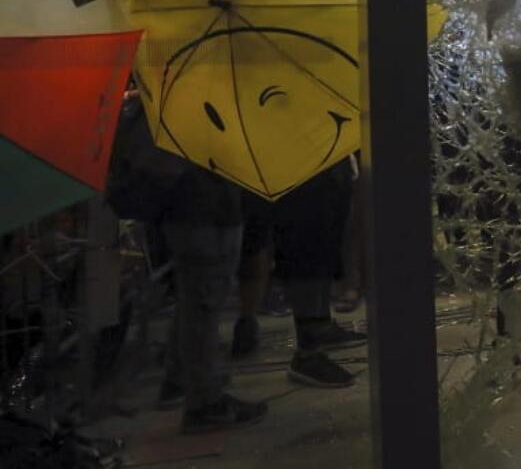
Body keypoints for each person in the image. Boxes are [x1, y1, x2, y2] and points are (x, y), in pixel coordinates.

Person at [107, 93, 267, 433]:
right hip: (204, 210)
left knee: (195, 301)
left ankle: (182, 380)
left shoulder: (172, 94)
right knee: (204, 305)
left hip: (193, 213)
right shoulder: (196, 97)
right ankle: (205, 402)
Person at [231, 158, 366, 388]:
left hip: (320, 167)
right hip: (302, 174)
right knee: (306, 252)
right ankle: (308, 349)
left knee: (322, 249)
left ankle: (319, 327)